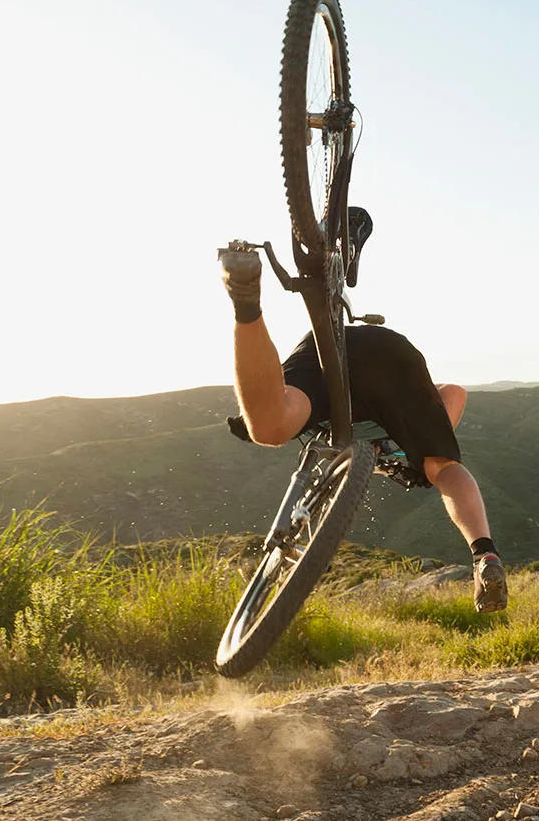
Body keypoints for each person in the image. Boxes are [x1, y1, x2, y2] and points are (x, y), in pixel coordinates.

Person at [217, 208, 508, 613]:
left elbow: (454, 392)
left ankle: (246, 301)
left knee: (269, 423)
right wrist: (418, 449)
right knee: (441, 467)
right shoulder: (398, 452)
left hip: (329, 350)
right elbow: (454, 393)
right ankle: (484, 554)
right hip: (388, 356)